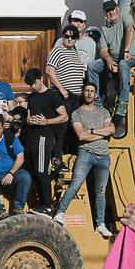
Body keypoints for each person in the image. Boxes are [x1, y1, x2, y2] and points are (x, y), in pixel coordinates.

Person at [54, 82, 115, 238]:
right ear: (83, 93)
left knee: (101, 192)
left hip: (103, 156)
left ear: (95, 94)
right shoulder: (77, 113)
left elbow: (112, 130)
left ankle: (100, 224)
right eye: (87, 91)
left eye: (92, 91)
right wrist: (102, 134)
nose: (89, 93)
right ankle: (60, 213)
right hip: (85, 154)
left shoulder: (104, 112)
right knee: (75, 184)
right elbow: (81, 136)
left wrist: (93, 131)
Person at [23, 69, 69, 212]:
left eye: (35, 83)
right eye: (30, 84)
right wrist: (29, 121)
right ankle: (41, 202)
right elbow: (28, 117)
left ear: (41, 79)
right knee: (34, 170)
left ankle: (47, 205)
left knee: (42, 170)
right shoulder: (31, 98)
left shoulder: (52, 96)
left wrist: (47, 121)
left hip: (45, 136)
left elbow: (65, 116)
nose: (33, 86)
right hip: (32, 136)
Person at [91, 0, 135, 119]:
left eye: (112, 10)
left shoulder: (126, 17)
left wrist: (126, 50)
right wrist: (108, 59)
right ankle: (96, 99)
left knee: (124, 64)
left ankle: (123, 102)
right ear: (105, 14)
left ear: (118, 9)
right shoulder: (105, 28)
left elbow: (130, 29)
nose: (110, 13)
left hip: (133, 56)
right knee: (92, 66)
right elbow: (103, 51)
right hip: (114, 58)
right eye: (107, 11)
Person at [46, 24, 87, 114]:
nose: (69, 39)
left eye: (73, 37)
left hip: (77, 96)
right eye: (67, 36)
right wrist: (61, 89)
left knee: (74, 125)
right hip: (64, 95)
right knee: (64, 124)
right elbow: (49, 71)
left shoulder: (75, 53)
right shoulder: (57, 51)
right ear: (63, 36)